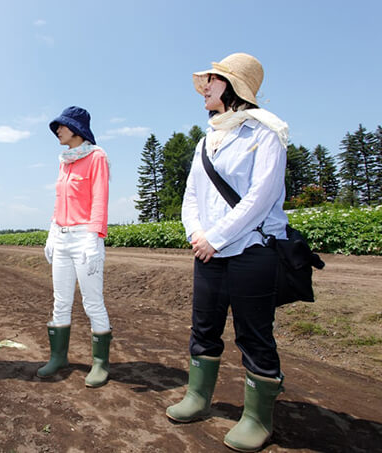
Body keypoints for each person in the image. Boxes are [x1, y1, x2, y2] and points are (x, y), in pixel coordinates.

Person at [164, 53, 289, 452]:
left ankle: (257, 418)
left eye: (212, 81)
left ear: (233, 87)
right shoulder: (207, 139)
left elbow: (260, 197)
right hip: (208, 253)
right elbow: (191, 198)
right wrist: (197, 234)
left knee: (254, 334)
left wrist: (215, 237)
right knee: (204, 327)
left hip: (252, 250)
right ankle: (198, 398)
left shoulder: (265, 134)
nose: (204, 87)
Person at [37, 106, 112, 388]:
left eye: (62, 126)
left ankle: (100, 363)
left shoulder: (97, 157)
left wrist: (94, 239)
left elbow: (99, 200)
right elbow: (60, 201)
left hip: (85, 238)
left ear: (77, 129)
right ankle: (58, 357)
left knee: (92, 301)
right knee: (61, 300)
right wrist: (51, 233)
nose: (57, 130)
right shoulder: (65, 161)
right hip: (62, 236)